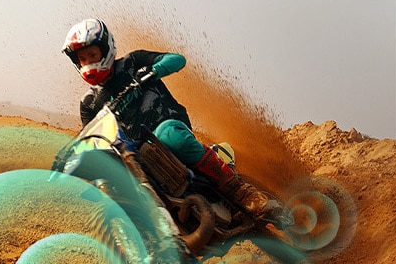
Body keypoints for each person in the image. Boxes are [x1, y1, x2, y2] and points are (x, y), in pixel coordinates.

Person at [62, 17, 274, 219]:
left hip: (166, 128)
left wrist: (153, 71)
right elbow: (92, 138)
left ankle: (243, 193)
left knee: (170, 135)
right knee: (109, 182)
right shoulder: (89, 103)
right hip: (133, 153)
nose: (88, 62)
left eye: (92, 55)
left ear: (105, 49)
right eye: (82, 59)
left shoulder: (132, 62)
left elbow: (177, 59)